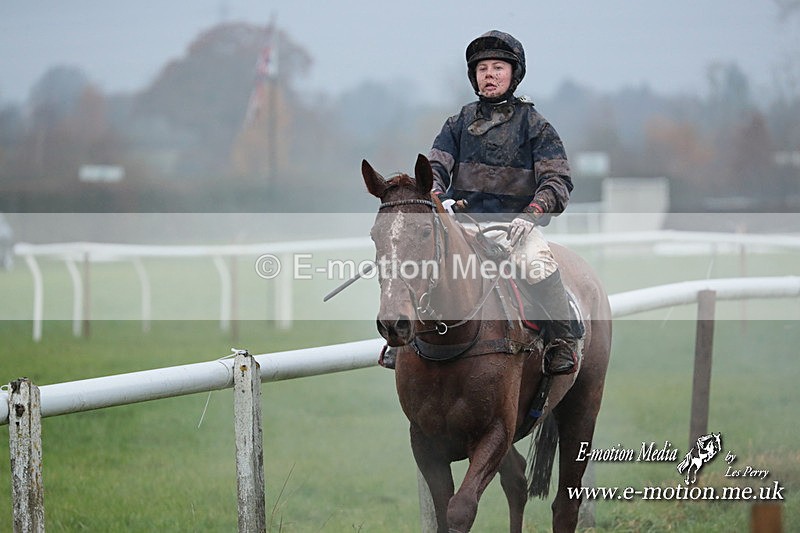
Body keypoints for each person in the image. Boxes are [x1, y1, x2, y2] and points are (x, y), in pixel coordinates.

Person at [426, 30, 579, 375]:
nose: (489, 75)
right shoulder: (457, 123)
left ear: (513, 74)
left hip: (515, 230)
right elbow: (434, 169)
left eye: (498, 67)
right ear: (474, 77)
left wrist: (533, 213)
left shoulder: (536, 126)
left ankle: (561, 343)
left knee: (538, 264)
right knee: (420, 265)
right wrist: (436, 198)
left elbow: (557, 181)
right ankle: (401, 340)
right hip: (463, 227)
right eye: (482, 69)